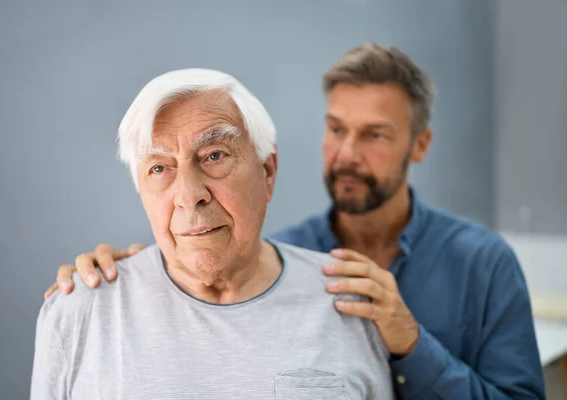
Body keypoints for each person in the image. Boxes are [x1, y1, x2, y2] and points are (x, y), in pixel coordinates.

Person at [45, 43, 546, 399]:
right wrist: (113, 283)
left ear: (419, 145)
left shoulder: (483, 262)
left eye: (374, 134)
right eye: (336, 129)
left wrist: (412, 344)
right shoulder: (269, 255)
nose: (347, 153)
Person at [30, 67, 395, 400]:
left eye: (214, 156)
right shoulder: (80, 310)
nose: (190, 196)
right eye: (159, 168)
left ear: (267, 172)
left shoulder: (349, 302)